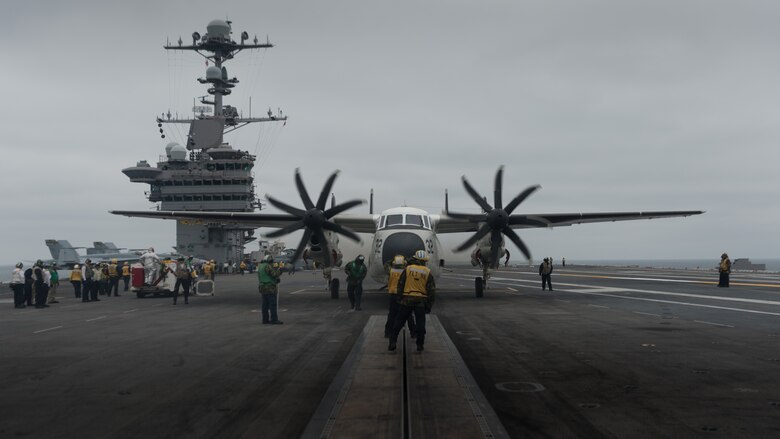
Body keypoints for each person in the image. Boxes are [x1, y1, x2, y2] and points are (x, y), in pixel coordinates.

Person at [388, 250, 435, 352]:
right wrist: (429, 305)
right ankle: (420, 345)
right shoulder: (427, 272)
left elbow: (400, 284)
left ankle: (393, 342)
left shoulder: (408, 269)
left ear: (415, 259)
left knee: (399, 322)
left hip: (407, 299)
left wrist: (400, 298)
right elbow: (431, 291)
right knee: (420, 324)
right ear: (424, 261)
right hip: (420, 301)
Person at [384, 255, 416, 338]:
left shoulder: (391, 271)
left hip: (393, 295)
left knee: (392, 315)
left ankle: (388, 333)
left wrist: (393, 258)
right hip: (404, 295)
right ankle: (413, 333)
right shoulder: (408, 271)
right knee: (408, 315)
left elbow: (386, 264)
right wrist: (406, 260)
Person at [257, 255, 283, 324]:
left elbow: (263, 276)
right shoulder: (267, 266)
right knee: (272, 305)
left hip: (262, 287)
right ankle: (274, 320)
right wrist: (280, 270)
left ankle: (265, 320)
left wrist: (275, 280)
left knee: (265, 305)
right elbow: (274, 274)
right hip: (270, 288)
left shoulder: (260, 266)